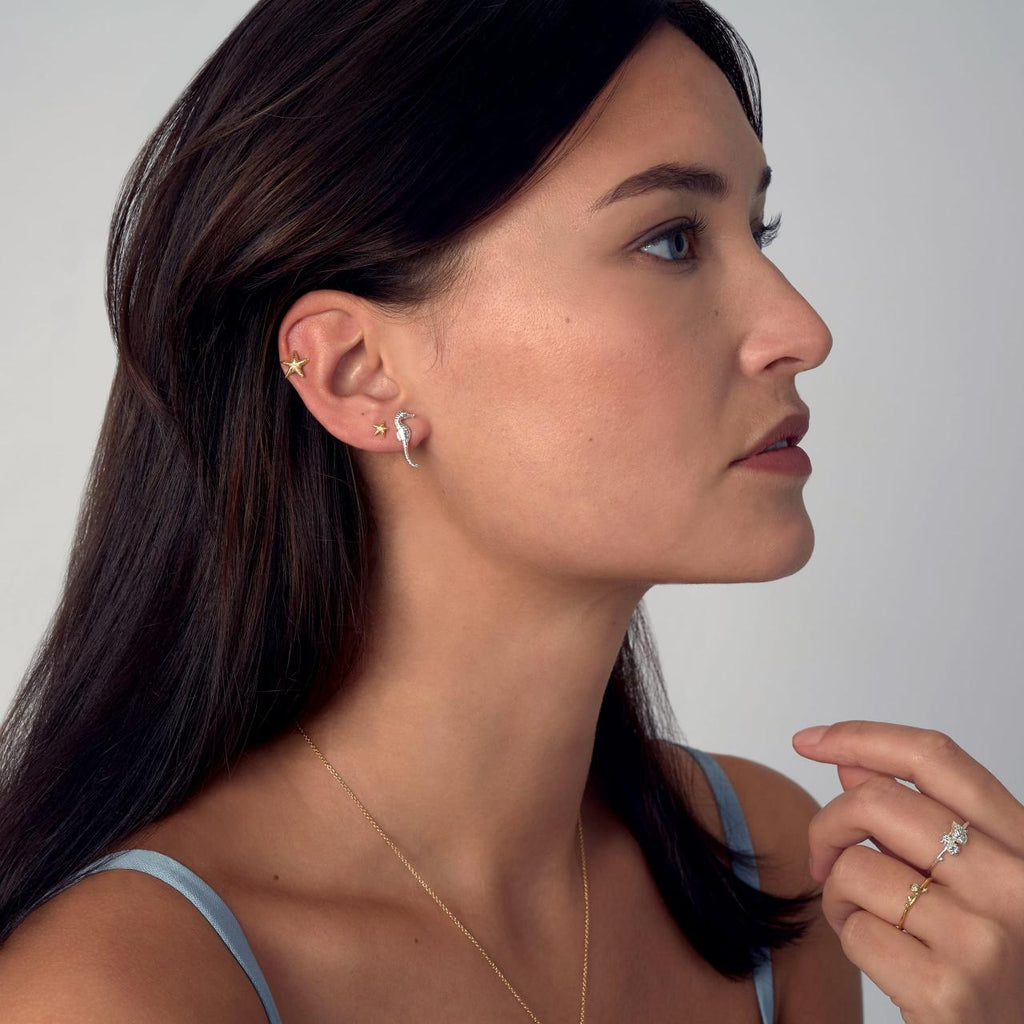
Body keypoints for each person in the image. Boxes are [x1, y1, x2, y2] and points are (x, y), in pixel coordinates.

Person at [4, 2, 1023, 1021]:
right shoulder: (125, 984)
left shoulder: (762, 864)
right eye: (670, 240)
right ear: (358, 373)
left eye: (753, 230)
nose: (800, 329)